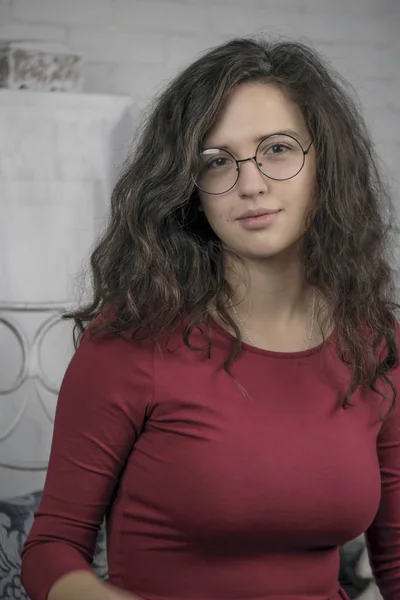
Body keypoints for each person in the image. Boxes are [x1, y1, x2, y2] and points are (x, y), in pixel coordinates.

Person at [20, 36, 400, 600]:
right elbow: (50, 551)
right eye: (216, 161)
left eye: (277, 149)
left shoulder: (377, 344)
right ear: (191, 189)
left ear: (325, 162)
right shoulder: (132, 342)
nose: (250, 184)